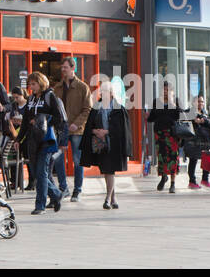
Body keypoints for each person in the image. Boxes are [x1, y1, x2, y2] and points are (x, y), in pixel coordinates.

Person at [17, 72, 65, 214]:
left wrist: (43, 119)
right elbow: (25, 121)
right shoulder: (31, 99)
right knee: (37, 173)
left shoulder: (50, 97)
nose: (31, 87)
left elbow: (59, 118)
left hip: (47, 140)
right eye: (30, 84)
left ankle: (40, 205)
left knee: (42, 172)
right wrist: (19, 139)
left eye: (34, 84)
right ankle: (56, 194)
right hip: (33, 140)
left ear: (41, 83)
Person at [82, 78, 131, 209]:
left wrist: (107, 131)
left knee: (109, 170)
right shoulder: (96, 108)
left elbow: (122, 129)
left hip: (113, 145)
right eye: (101, 91)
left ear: (111, 93)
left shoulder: (119, 109)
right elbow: (89, 126)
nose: (103, 94)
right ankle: (113, 198)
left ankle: (107, 198)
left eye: (105, 91)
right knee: (107, 171)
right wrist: (96, 131)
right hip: (100, 145)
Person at [53, 58, 92, 201]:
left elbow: (88, 109)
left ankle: (77, 190)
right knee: (58, 159)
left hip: (77, 130)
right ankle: (63, 188)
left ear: (73, 68)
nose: (63, 70)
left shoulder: (82, 87)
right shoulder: (57, 88)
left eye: (65, 67)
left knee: (77, 160)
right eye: (62, 67)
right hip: (61, 129)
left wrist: (77, 123)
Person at [147, 82, 182, 193]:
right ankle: (163, 177)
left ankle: (172, 183)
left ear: (172, 91)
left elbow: (180, 116)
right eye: (164, 90)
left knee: (172, 157)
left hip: (172, 134)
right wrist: (147, 115)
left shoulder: (176, 101)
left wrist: (172, 104)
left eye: (167, 90)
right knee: (161, 157)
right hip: (160, 133)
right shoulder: (157, 102)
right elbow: (152, 118)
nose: (165, 92)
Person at [183, 95, 210, 189]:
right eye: (198, 101)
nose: (200, 103)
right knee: (193, 160)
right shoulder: (189, 112)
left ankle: (205, 179)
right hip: (193, 140)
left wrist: (204, 121)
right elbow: (184, 122)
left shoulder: (205, 113)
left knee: (206, 158)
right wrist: (194, 120)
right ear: (193, 103)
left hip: (204, 140)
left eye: (202, 101)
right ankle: (192, 181)